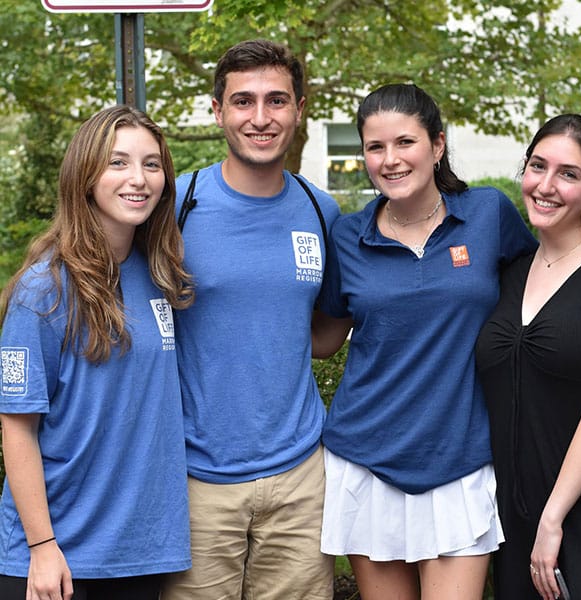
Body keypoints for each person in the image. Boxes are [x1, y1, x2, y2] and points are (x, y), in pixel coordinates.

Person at [311, 83, 538, 600]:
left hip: (460, 458)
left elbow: (542, 287)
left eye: (405, 142)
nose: (390, 159)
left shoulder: (488, 214)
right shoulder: (347, 235)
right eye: (375, 147)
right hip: (365, 460)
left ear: (437, 145)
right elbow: (325, 337)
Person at [160, 40, 340, 600]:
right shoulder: (174, 205)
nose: (260, 118)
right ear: (218, 111)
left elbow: (323, 334)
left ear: (299, 109)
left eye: (276, 100)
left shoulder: (321, 211)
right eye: (243, 101)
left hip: (301, 479)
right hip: (196, 479)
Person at [0, 105, 195, 600]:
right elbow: (17, 425)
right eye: (118, 162)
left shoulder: (160, 275)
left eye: (152, 164)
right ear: (85, 177)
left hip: (140, 553)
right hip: (57, 558)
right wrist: (42, 546)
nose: (139, 179)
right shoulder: (43, 289)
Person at [476, 114, 581, 600]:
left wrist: (554, 517)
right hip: (512, 519)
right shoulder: (509, 272)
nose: (546, 186)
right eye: (537, 166)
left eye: (568, 174)